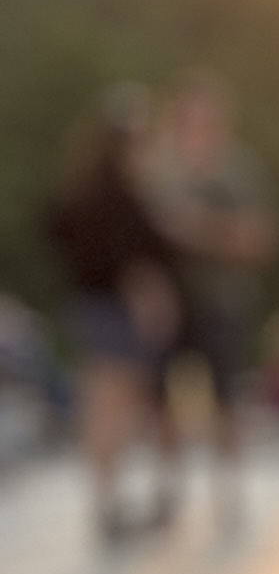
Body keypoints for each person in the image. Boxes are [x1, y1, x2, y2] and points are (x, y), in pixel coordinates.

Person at [138, 69, 278, 534]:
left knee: (226, 397)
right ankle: (167, 492)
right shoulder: (158, 168)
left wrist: (197, 228)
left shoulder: (239, 170)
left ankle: (228, 493)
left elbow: (259, 239)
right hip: (168, 302)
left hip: (222, 299)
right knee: (161, 400)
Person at [41, 96, 181, 543]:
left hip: (91, 303)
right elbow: (133, 254)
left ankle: (106, 499)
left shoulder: (81, 190)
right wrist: (136, 284)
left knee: (107, 401)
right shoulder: (120, 197)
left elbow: (56, 231)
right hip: (116, 307)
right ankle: (109, 502)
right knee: (115, 402)